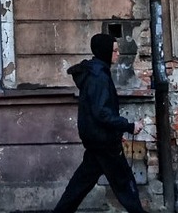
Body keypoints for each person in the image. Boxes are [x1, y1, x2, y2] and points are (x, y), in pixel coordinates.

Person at [53, 30, 146, 213]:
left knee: (79, 186)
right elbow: (102, 113)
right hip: (104, 144)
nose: (118, 54)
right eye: (115, 51)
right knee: (125, 184)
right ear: (105, 52)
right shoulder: (99, 77)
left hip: (98, 140)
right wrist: (128, 126)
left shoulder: (95, 72)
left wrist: (116, 133)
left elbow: (98, 111)